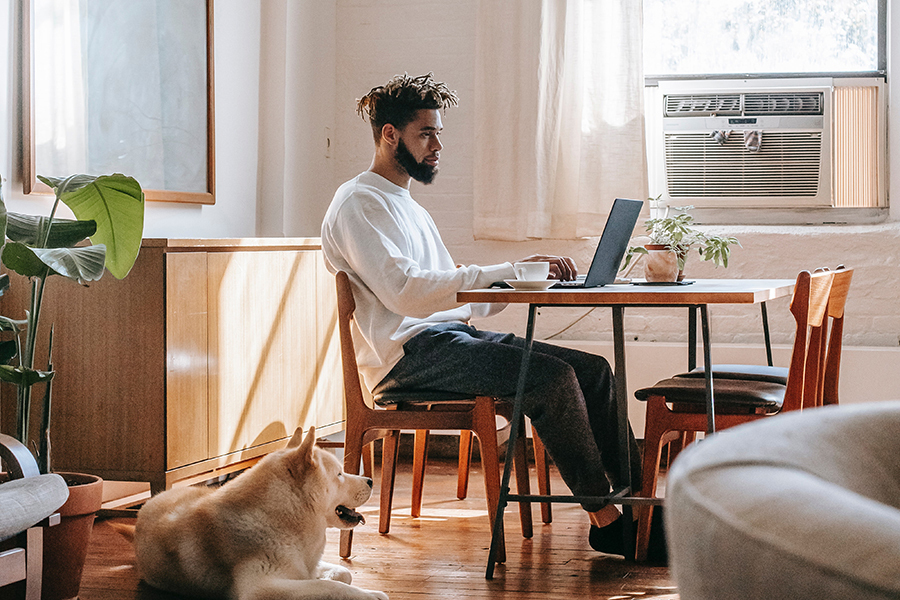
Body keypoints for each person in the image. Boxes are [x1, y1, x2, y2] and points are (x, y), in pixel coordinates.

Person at [321, 72, 641, 555]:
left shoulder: (407, 205)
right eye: (426, 133)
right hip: (408, 358)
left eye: (439, 134)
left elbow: (454, 292)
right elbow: (406, 293)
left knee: (593, 371)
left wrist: (525, 280)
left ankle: (644, 508)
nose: (437, 146)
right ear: (390, 135)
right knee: (551, 380)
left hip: (451, 340)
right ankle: (606, 520)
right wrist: (504, 269)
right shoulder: (357, 203)